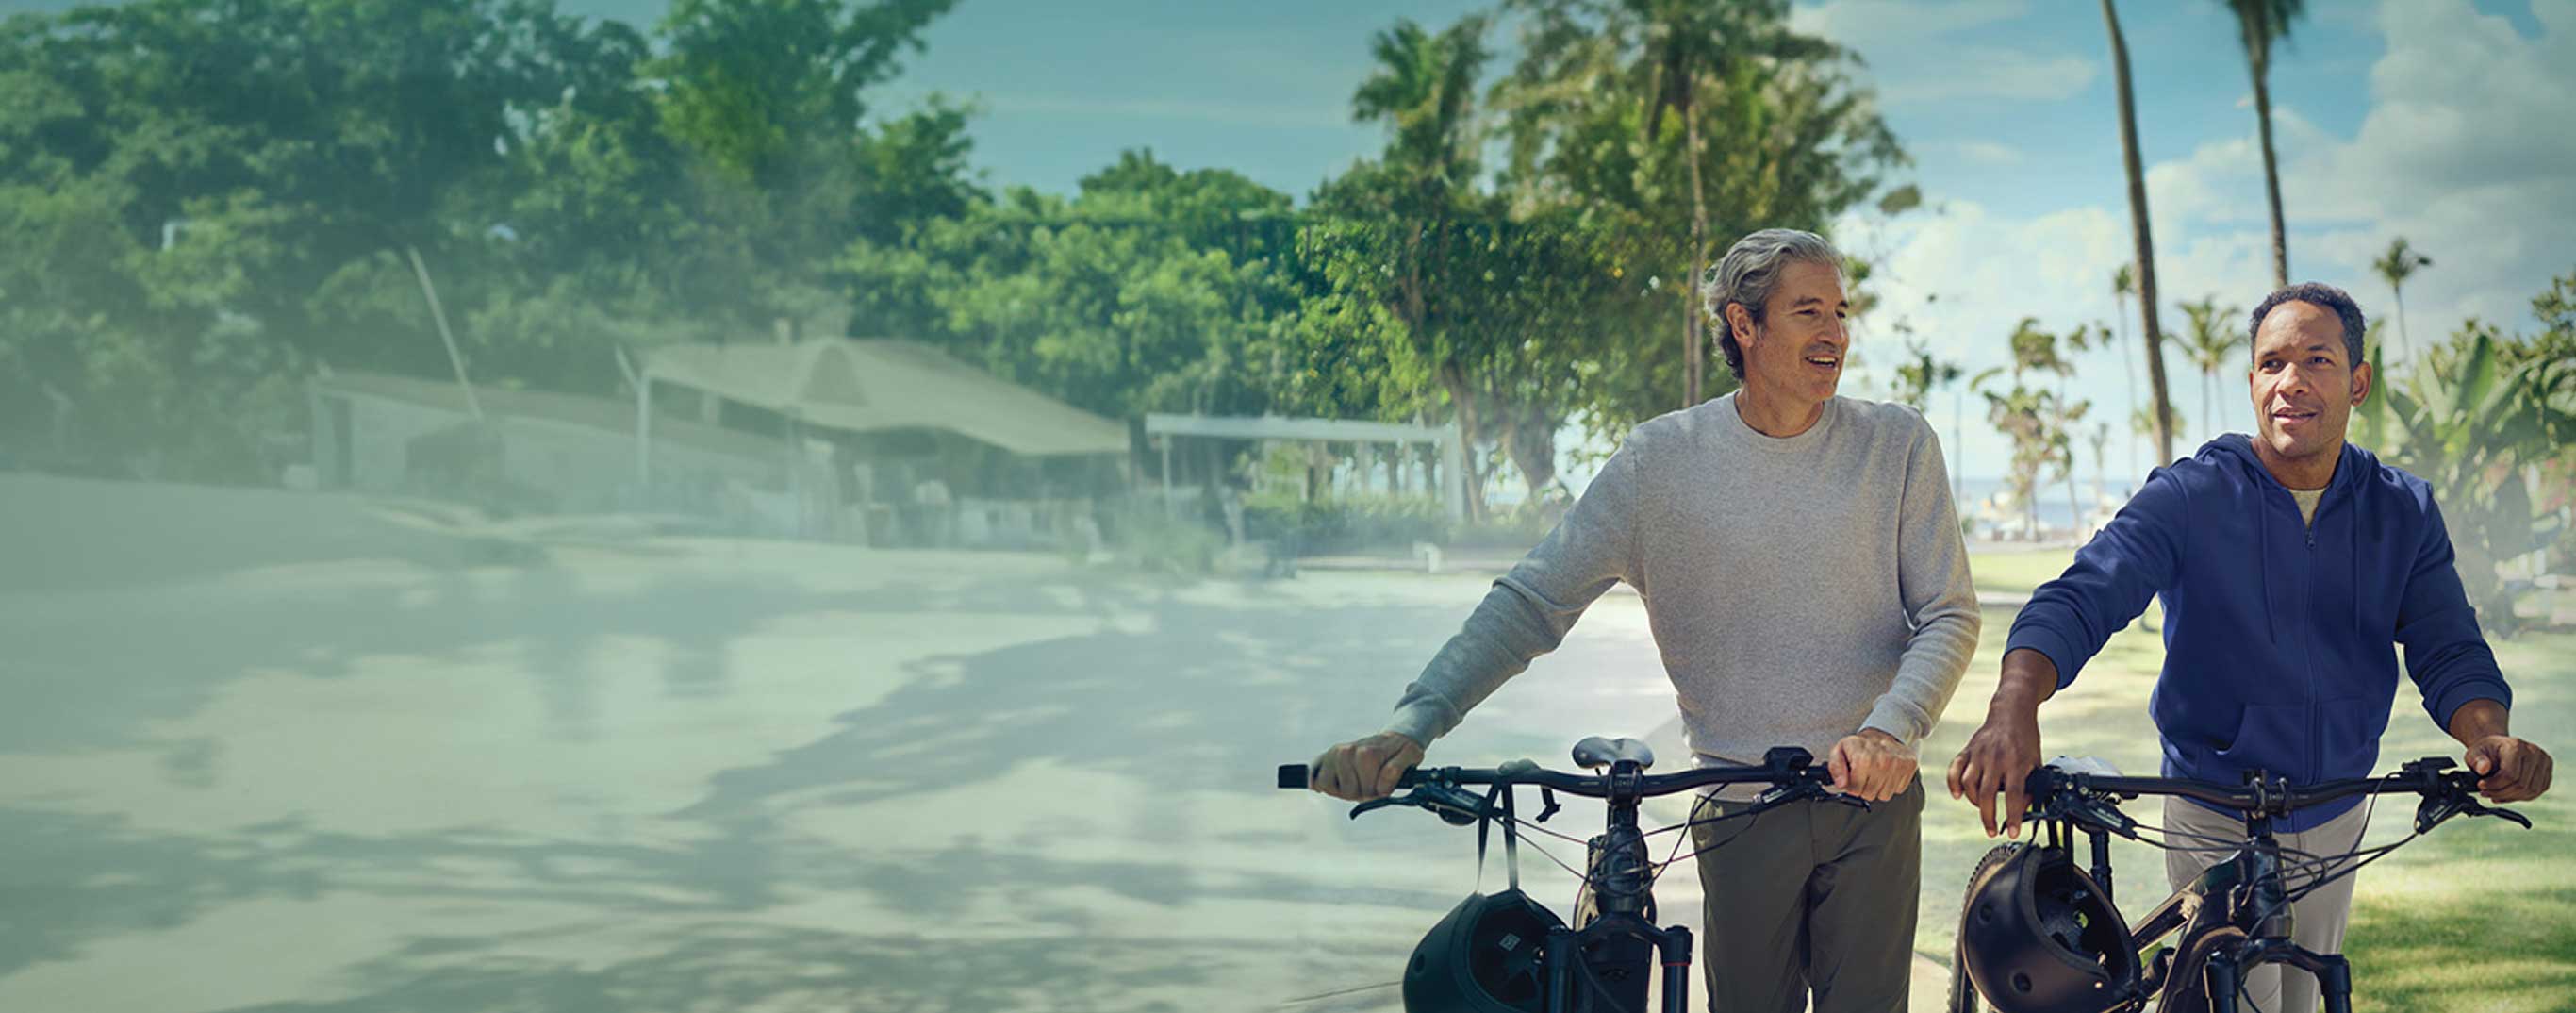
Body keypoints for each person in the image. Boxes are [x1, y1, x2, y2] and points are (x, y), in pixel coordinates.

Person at [1309, 228, 1981, 1012]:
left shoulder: (1897, 444)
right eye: (1808, 312)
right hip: (1738, 810)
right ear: (1744, 324)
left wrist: (1891, 729)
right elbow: (1531, 602)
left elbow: (1948, 612)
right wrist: (1415, 722)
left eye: (1840, 312)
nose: (1834, 333)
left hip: (1874, 803)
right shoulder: (1658, 463)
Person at [1948, 282, 2554, 1013]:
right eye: (2272, 363)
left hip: (2336, 812)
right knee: (2235, 999)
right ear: (2252, 383)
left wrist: (2488, 736)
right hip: (2213, 809)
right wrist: (2013, 707)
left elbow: (2448, 645)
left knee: (2304, 1000)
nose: (2290, 381)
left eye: (2317, 360)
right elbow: (2081, 597)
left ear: (2359, 382)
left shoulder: (2402, 509)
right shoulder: (2191, 495)